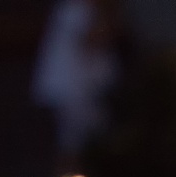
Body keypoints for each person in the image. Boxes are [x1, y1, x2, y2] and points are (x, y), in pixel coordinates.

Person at [33, 0, 119, 168]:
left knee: (91, 143)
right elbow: (94, 38)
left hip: (91, 92)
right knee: (73, 145)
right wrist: (110, 16)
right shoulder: (74, 9)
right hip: (72, 91)